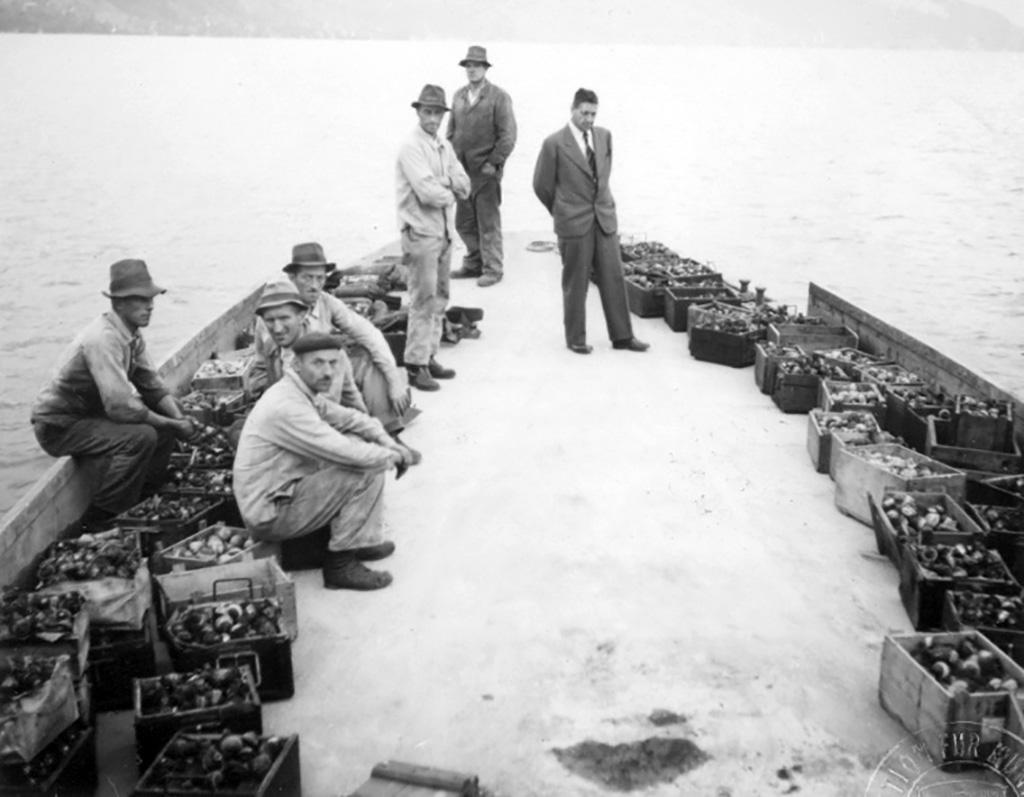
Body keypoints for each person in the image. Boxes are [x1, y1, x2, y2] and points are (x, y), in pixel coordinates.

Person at [233, 333, 420, 591]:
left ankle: (358, 540)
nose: (328, 372)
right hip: (270, 513)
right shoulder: (286, 405)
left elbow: (350, 418)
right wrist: (393, 456)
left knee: (363, 444)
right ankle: (340, 566)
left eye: (333, 363)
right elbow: (342, 451)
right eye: (318, 363)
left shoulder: (300, 391)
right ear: (296, 364)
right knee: (366, 466)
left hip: (284, 491)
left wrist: (387, 441)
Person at [30, 259, 196, 525]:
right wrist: (173, 425)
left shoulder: (131, 335)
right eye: (141, 300)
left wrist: (178, 417)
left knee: (166, 417)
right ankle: (104, 515)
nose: (150, 306)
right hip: (60, 426)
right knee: (141, 437)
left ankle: (147, 495)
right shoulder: (103, 339)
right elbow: (120, 407)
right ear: (119, 304)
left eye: (151, 299)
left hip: (92, 415)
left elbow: (151, 385)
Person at [532, 88, 650, 355]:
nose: (588, 119)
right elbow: (541, 185)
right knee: (576, 282)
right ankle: (576, 339)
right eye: (584, 113)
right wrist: (562, 210)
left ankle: (623, 336)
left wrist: (603, 206)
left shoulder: (604, 136)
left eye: (593, 114)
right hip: (574, 223)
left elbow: (603, 176)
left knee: (614, 277)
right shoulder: (554, 143)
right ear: (572, 110)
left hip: (604, 219)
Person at [282, 242, 412, 434]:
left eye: (320, 278)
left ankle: (386, 429)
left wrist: (394, 381)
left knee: (369, 357)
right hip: (294, 381)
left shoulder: (326, 302)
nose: (314, 286)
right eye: (307, 278)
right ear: (292, 278)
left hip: (323, 372)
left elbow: (370, 334)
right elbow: (283, 365)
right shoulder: (281, 311)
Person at [396, 84, 471, 391]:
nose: (432, 118)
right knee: (422, 299)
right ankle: (415, 365)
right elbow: (428, 194)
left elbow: (465, 183)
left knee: (440, 297)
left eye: (437, 113)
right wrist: (449, 189)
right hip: (421, 234)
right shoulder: (411, 147)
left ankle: (429, 355)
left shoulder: (443, 145)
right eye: (427, 111)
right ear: (418, 112)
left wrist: (445, 181)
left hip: (443, 234)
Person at [446, 45, 517, 288]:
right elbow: (450, 132)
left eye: (477, 65)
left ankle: (493, 269)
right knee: (463, 223)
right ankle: (473, 263)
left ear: (485, 68)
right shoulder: (458, 96)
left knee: (488, 224)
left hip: (486, 172)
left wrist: (493, 163)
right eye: (469, 65)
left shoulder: (499, 97)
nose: (472, 69)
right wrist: (449, 162)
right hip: (462, 173)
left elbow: (508, 136)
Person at [251, 279, 368, 413]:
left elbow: (321, 409)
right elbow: (262, 373)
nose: (277, 329)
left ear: (301, 316)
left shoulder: (326, 353)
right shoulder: (271, 347)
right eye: (270, 320)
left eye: (284, 318)